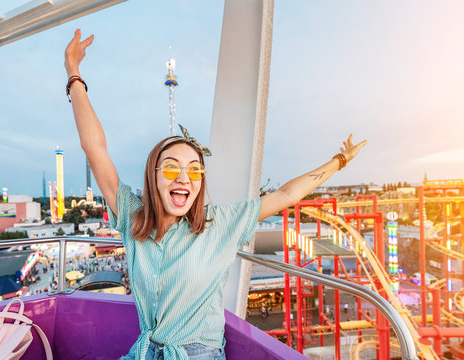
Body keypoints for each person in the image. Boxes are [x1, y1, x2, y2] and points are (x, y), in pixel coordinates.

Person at [64, 29, 366, 360]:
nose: (184, 177)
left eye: (194, 170)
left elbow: (286, 194)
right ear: (152, 176)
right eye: (171, 168)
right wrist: (73, 72)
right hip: (146, 351)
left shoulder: (218, 224)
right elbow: (94, 148)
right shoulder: (132, 217)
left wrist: (339, 161)